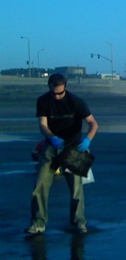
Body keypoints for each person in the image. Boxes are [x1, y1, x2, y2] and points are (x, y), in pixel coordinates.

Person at [24, 73, 98, 234]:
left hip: (73, 147)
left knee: (76, 188)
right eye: (53, 93)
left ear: (65, 87)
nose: (56, 96)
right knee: (40, 185)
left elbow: (93, 123)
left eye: (60, 93)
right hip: (51, 146)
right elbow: (42, 124)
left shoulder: (76, 102)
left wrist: (87, 140)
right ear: (49, 88)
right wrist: (51, 137)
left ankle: (79, 222)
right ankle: (38, 222)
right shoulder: (43, 101)